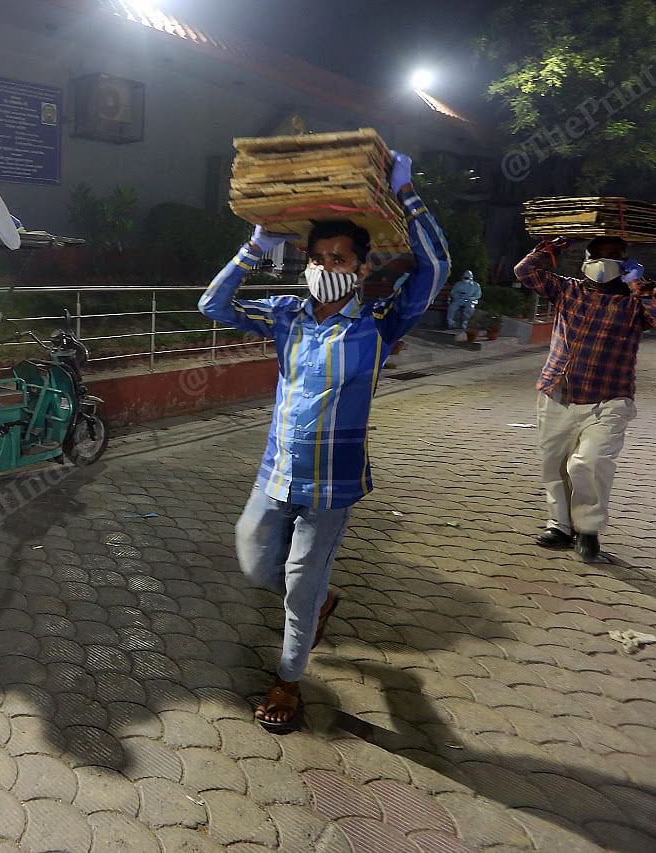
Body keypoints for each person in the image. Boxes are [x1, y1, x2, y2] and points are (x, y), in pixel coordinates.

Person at [198, 152, 449, 732]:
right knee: (256, 562)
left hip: (332, 486)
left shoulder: (380, 323)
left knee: (298, 587)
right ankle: (319, 602)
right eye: (315, 258)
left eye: (337, 259)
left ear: (362, 268)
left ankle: (287, 682)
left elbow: (435, 268)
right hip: (276, 472)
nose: (322, 267)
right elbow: (212, 305)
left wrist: (409, 198)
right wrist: (253, 248)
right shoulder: (287, 315)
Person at [516, 235, 656, 562]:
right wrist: (546, 250)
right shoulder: (568, 289)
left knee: (589, 463)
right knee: (555, 464)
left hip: (609, 397)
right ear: (587, 258)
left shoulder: (637, 300)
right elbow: (525, 272)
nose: (606, 261)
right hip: (560, 391)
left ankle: (588, 529)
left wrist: (639, 284)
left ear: (626, 263)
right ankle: (560, 525)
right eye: (599, 254)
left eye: (615, 256)